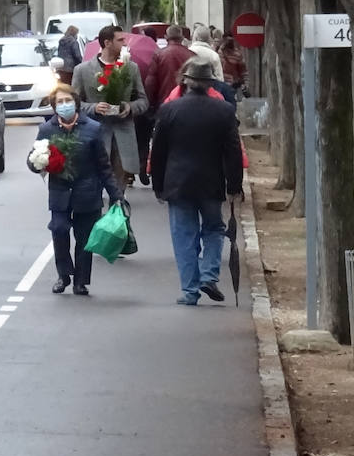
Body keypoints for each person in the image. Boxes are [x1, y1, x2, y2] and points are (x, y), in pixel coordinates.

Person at [150, 56, 244, 306]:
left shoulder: (169, 110)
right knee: (214, 228)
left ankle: (190, 290)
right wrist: (235, 185)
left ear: (186, 82)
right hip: (211, 182)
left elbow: (158, 151)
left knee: (183, 235)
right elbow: (233, 151)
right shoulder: (224, 111)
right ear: (209, 83)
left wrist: (158, 185)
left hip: (177, 182)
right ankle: (209, 274)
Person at [29, 84, 122, 296]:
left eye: (67, 101)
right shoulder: (47, 130)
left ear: (76, 103)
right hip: (60, 193)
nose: (64, 105)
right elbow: (34, 157)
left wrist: (116, 195)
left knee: (84, 238)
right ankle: (64, 275)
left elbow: (103, 166)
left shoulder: (92, 128)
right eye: (60, 102)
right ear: (54, 107)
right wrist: (36, 161)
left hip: (87, 192)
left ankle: (81, 281)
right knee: (59, 230)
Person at [71, 24, 148, 185]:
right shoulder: (82, 70)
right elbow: (74, 104)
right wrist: (94, 107)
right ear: (107, 43)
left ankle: (118, 205)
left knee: (119, 185)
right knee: (94, 182)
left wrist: (130, 107)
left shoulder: (131, 68)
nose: (124, 44)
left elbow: (143, 101)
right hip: (95, 133)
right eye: (120, 40)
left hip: (123, 134)